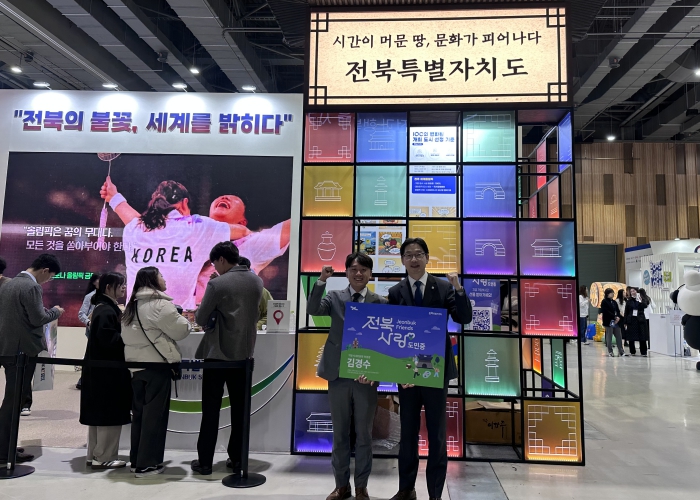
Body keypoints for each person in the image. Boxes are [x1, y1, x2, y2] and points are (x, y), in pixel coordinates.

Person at [387, 238, 472, 500]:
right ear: (402, 260)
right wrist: (395, 370)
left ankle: (435, 493)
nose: (414, 259)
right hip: (407, 373)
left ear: (427, 257)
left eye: (418, 254)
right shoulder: (395, 291)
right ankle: (406, 489)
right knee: (408, 433)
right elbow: (392, 334)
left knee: (436, 434)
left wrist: (459, 288)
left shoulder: (444, 287)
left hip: (435, 370)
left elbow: (464, 317)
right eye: (409, 255)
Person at [307, 253, 388, 500]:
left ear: (370, 274)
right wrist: (321, 281)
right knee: (340, 433)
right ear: (346, 272)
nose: (358, 273)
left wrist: (377, 372)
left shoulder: (380, 302)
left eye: (363, 269)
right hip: (338, 374)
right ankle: (341, 486)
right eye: (353, 269)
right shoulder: (334, 297)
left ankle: (361, 486)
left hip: (366, 377)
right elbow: (313, 309)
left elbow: (385, 343)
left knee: (364, 435)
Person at [100, 178, 248, 310]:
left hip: (136, 320)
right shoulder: (198, 227)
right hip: (176, 320)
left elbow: (136, 219)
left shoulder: (133, 228)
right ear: (184, 203)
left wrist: (114, 197)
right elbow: (242, 232)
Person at [190, 241, 263, 475]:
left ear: (221, 260)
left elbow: (200, 318)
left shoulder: (217, 284)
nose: (215, 268)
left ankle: (205, 462)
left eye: (215, 263)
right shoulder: (256, 281)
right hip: (244, 355)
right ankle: (238, 459)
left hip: (217, 355)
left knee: (210, 411)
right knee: (240, 411)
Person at [122, 266, 192, 477]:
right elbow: (182, 330)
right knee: (155, 418)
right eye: (161, 276)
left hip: (136, 367)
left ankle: (137, 460)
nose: (164, 279)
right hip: (157, 367)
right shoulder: (160, 305)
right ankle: (147, 464)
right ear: (153, 280)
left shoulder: (132, 305)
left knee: (140, 416)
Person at [0, 254, 64, 465]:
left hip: (8, 348)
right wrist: (55, 312)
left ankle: (6, 445)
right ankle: (4, 451)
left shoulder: (9, 283)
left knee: (12, 400)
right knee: (13, 402)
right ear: (44, 270)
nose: (48, 281)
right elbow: (38, 319)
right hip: (23, 351)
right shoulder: (31, 287)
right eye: (50, 276)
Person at [79, 272, 132, 469]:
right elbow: (110, 341)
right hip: (108, 372)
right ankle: (105, 456)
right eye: (120, 284)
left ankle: (94, 454)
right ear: (108, 287)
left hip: (99, 371)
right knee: (108, 414)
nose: (123, 288)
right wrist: (130, 336)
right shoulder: (106, 311)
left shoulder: (103, 308)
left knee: (98, 417)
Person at [76, 273, 101, 390]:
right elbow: (81, 314)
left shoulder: (107, 295)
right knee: (91, 355)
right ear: (94, 282)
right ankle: (83, 381)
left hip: (103, 330)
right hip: (93, 331)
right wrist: (89, 323)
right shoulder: (90, 296)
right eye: (99, 280)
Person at [238, 256, 273, 330]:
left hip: (254, 334)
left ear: (249, 271)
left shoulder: (261, 291)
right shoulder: (226, 289)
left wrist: (256, 326)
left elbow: (271, 312)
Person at [601, 288, 626, 357]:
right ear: (607, 294)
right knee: (609, 337)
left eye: (613, 293)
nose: (613, 294)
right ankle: (610, 351)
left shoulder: (614, 302)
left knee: (619, 336)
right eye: (611, 293)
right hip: (609, 322)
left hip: (616, 322)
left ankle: (621, 351)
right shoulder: (604, 302)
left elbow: (617, 310)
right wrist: (614, 317)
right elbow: (606, 311)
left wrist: (618, 317)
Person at [624, 287, 648, 356]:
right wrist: (625, 322)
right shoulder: (629, 301)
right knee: (631, 337)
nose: (632, 292)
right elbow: (626, 311)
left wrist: (640, 301)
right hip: (631, 320)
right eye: (631, 291)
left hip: (640, 320)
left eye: (634, 291)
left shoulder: (641, 299)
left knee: (642, 336)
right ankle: (632, 351)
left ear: (637, 292)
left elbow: (645, 306)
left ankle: (643, 351)